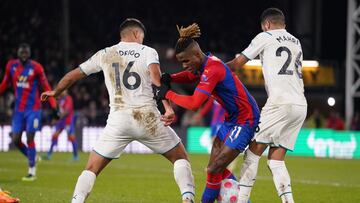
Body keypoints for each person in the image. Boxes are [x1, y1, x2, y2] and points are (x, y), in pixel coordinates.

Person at [41, 18, 195, 203]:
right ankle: (188, 198)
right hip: (148, 117)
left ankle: (76, 201)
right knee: (180, 157)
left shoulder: (105, 53)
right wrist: (168, 108)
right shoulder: (148, 52)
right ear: (137, 34)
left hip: (119, 119)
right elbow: (156, 80)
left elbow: (73, 75)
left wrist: (56, 91)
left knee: (91, 168)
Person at [155, 23, 260, 203]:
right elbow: (190, 76)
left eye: (186, 61)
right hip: (231, 119)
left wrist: (169, 93)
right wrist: (171, 77)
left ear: (197, 54)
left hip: (246, 119)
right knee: (215, 169)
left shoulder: (213, 69)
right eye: (181, 62)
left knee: (214, 169)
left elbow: (195, 103)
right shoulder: (205, 65)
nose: (184, 65)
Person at [226, 8, 308, 203]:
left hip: (280, 103)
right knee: (276, 161)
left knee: (252, 155)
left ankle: (241, 200)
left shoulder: (265, 36)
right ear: (283, 24)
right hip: (300, 105)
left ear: (267, 24)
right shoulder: (296, 41)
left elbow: (238, 63)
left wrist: (212, 67)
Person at [0, 43, 58, 181]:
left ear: (29, 53)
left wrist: (54, 107)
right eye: (22, 52)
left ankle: (32, 171)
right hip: (18, 110)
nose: (24, 54)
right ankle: (33, 156)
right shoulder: (11, 66)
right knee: (15, 139)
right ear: (18, 53)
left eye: (26, 52)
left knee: (30, 137)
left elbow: (46, 87)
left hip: (33, 109)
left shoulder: (36, 67)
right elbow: (4, 84)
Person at [44, 90, 78, 161]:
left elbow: (67, 112)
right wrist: (55, 118)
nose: (62, 92)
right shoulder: (59, 99)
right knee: (54, 136)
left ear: (66, 91)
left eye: (64, 90)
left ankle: (75, 156)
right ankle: (49, 155)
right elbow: (58, 111)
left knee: (71, 138)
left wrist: (57, 119)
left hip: (67, 121)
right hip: (61, 122)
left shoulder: (68, 99)